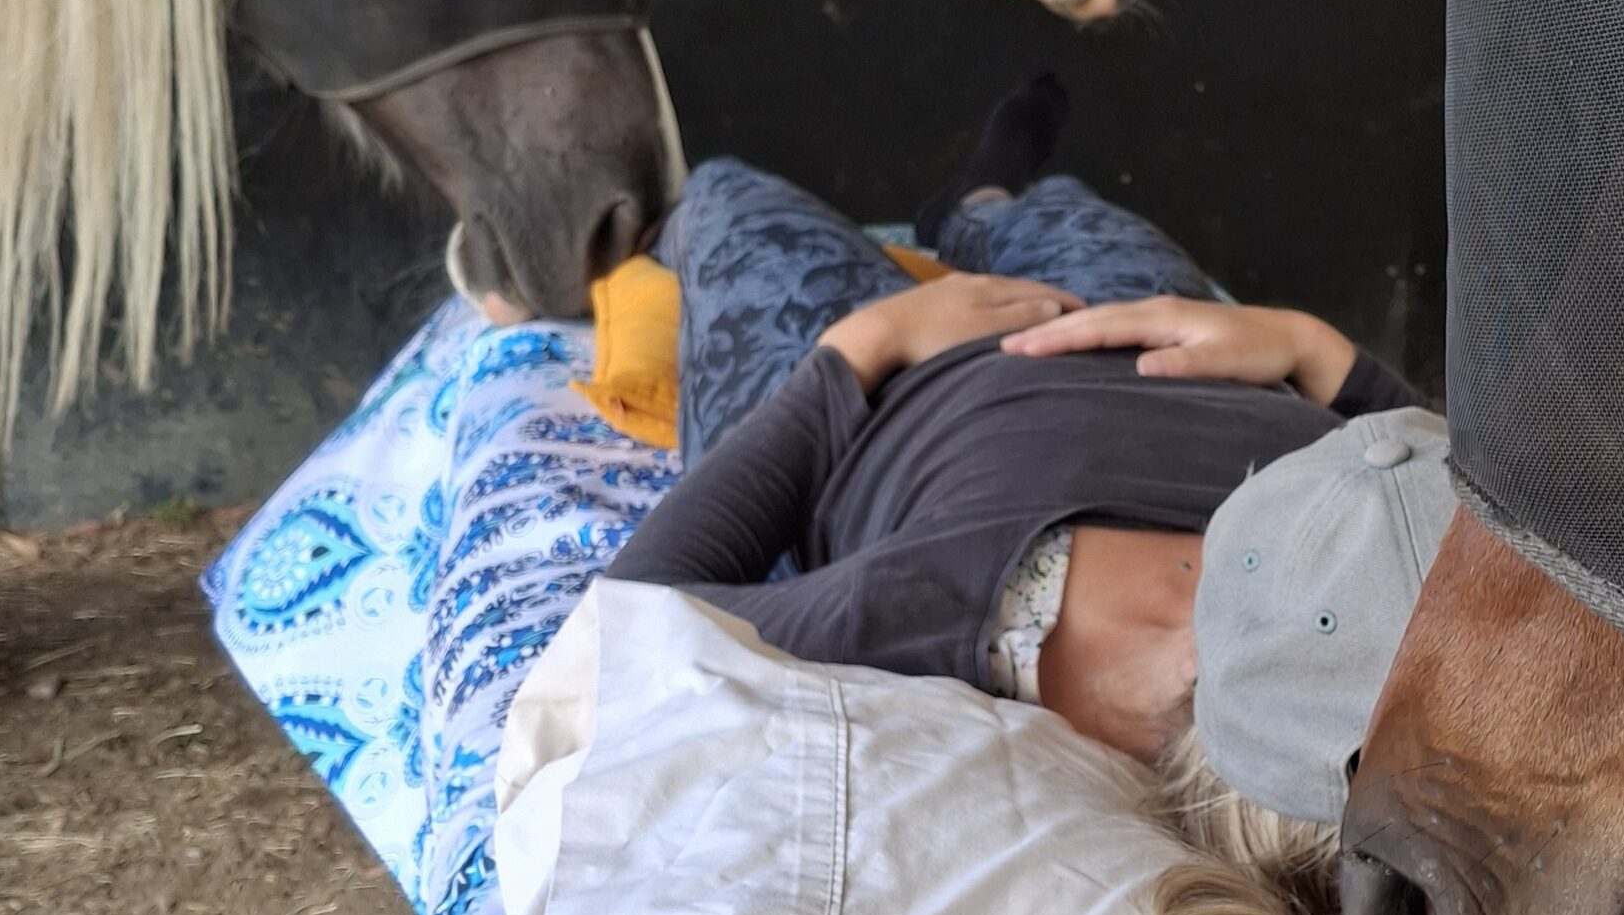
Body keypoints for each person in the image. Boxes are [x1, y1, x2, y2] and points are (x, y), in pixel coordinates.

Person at [605, 80, 1430, 760]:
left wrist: (864, 345)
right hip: (1144, 330)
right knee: (1066, 214)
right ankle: (976, 205)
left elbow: (637, 626)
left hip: (876, 399)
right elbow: (1452, 472)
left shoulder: (931, 612)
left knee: (726, 199)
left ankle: (605, 242)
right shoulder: (1415, 567)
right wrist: (1310, 348)